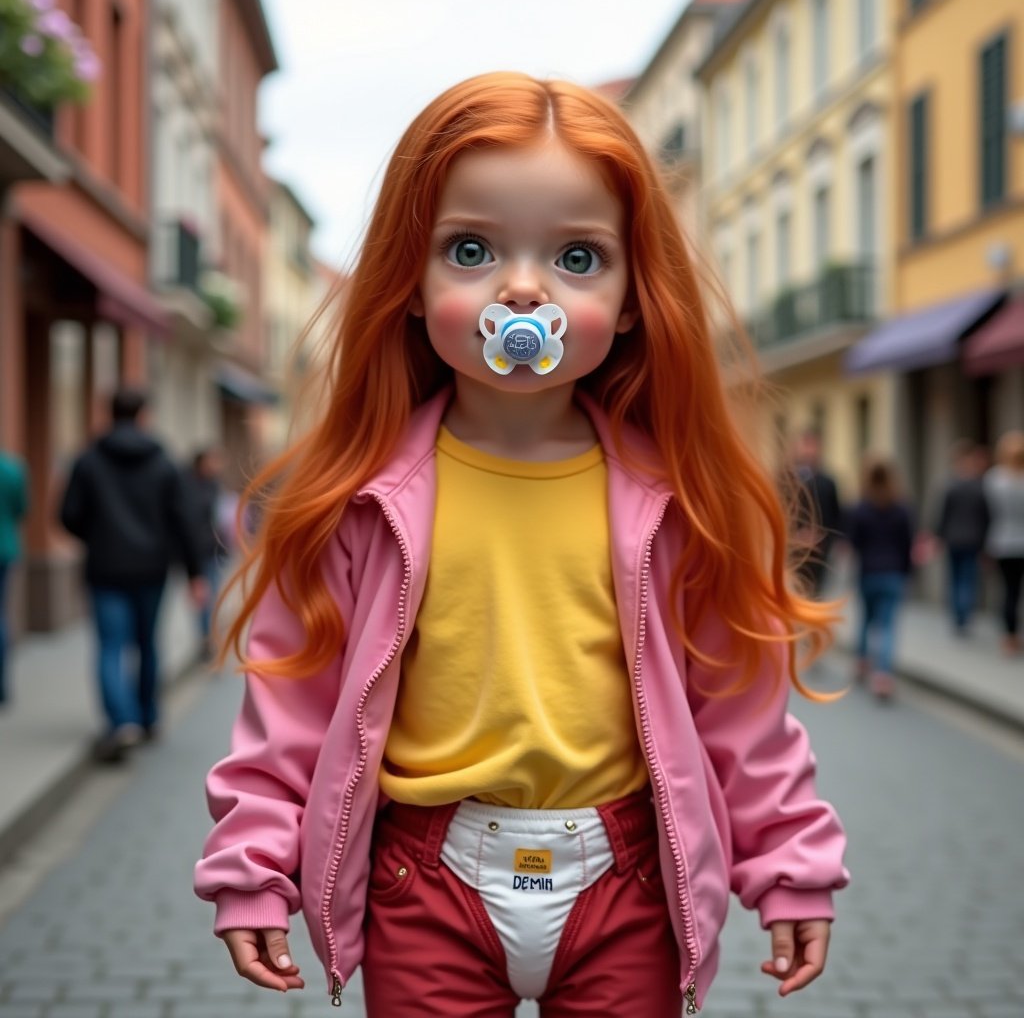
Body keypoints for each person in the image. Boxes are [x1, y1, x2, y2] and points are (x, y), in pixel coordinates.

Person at [193, 73, 849, 1016]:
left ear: (633, 299)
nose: (525, 290)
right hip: (424, 883)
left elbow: (741, 711)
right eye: (471, 249)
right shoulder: (360, 500)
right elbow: (292, 697)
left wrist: (790, 861)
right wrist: (253, 861)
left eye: (579, 257)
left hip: (626, 880)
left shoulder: (677, 502)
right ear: (410, 286)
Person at [60, 387, 206, 759]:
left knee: (110, 646)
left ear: (110, 415)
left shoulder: (88, 460)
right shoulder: (163, 462)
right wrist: (194, 573)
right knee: (147, 643)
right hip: (152, 569)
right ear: (143, 416)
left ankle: (121, 721)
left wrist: (97, 536)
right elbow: (183, 520)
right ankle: (148, 718)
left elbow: (68, 515)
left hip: (105, 567)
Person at [847, 457, 915, 699]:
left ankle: (862, 661)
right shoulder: (901, 509)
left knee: (866, 620)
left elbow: (853, 543)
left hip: (869, 572)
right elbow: (908, 544)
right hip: (894, 573)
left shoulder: (861, 508)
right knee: (887, 625)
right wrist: (908, 572)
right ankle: (883, 675)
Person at [932, 438, 989, 635]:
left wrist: (938, 536)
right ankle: (964, 617)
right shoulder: (980, 486)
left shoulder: (951, 485)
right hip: (972, 539)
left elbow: (942, 515)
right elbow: (985, 517)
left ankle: (958, 617)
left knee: (955, 578)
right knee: (967, 579)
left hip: (954, 539)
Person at [181, 446, 229, 660]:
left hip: (212, 549)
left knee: (212, 595)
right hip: (197, 550)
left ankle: (208, 637)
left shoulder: (214, 486)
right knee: (204, 596)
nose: (216, 466)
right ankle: (206, 638)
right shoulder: (189, 487)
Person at [983, 430, 1024, 656]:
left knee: (1009, 591)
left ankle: (1009, 636)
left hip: (1002, 541)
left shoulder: (994, 478)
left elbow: (988, 512)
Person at [791, 429, 843, 599]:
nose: (809, 450)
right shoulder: (790, 479)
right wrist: (796, 534)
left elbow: (835, 515)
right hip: (796, 547)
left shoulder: (828, 482)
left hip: (821, 548)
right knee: (799, 591)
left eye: (812, 445)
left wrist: (823, 537)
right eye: (806, 445)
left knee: (817, 593)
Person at [0, 450, 29, 706]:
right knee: (1, 616)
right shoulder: (12, 470)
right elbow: (22, 509)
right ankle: (1, 685)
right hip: (5, 548)